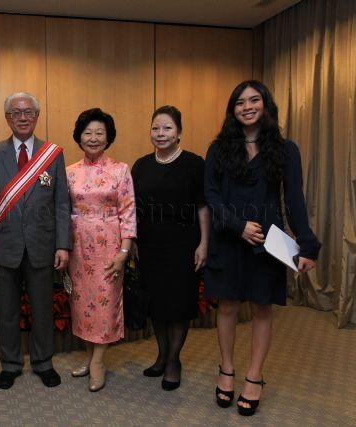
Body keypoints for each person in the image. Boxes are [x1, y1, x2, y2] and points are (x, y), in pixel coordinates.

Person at [204, 80, 321, 416]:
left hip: (268, 242)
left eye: (254, 100)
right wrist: (238, 226)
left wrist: (308, 246)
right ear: (232, 109)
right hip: (229, 238)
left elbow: (295, 201)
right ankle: (227, 371)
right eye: (240, 102)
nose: (247, 106)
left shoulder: (286, 150)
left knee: (261, 309)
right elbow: (211, 195)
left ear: (266, 105)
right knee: (226, 307)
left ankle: (254, 377)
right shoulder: (219, 148)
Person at [0, 92, 71, 390]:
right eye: (16, 113)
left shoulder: (52, 154)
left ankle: (43, 363)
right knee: (6, 311)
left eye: (29, 112)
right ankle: (11, 364)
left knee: (42, 309)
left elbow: (61, 205)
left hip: (42, 246)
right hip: (3, 246)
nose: (23, 117)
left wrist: (62, 244)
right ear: (7, 118)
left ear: (37, 116)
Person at [131, 105, 209, 391]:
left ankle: (174, 361)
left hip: (183, 245)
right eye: (155, 128)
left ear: (179, 132)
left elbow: (203, 206)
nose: (160, 133)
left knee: (177, 306)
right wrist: (134, 242)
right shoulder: (141, 165)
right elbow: (132, 209)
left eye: (167, 128)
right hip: (150, 245)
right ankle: (162, 355)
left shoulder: (194, 164)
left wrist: (204, 243)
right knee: (157, 305)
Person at [66, 108, 136, 392]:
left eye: (99, 133)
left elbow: (128, 211)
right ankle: (89, 355)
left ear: (108, 138)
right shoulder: (68, 171)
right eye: (88, 133)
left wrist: (124, 251)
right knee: (81, 305)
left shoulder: (121, 170)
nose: (93, 138)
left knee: (105, 305)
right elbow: (61, 210)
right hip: (77, 247)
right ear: (79, 137)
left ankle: (98, 361)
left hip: (109, 246)